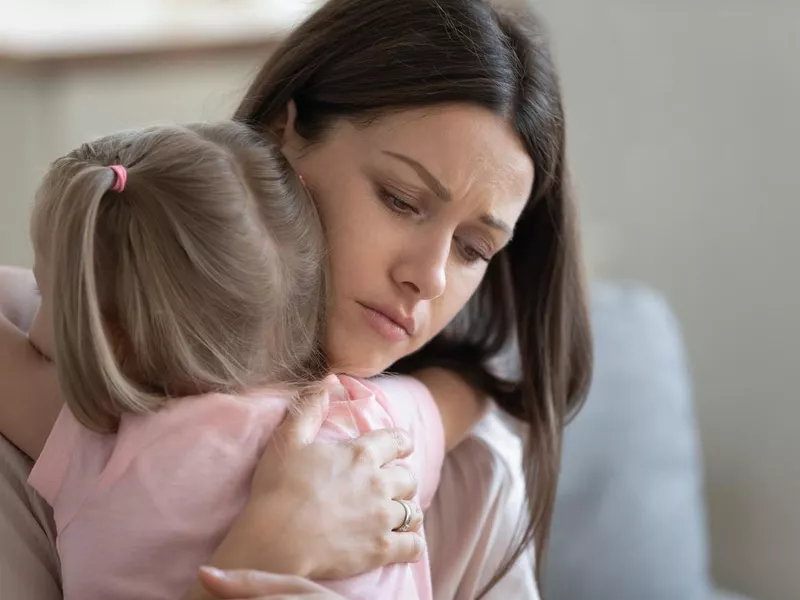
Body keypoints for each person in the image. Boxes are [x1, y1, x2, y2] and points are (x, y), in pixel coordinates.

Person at [0, 0, 593, 598]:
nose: (431, 277)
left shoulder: (454, 459)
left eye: (473, 248)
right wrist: (269, 550)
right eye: (400, 199)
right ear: (281, 135)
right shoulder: (93, 371)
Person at [1, 120, 492, 600]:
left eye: (48, 295)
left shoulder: (101, 444)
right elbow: (462, 398)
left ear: (109, 340)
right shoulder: (363, 422)